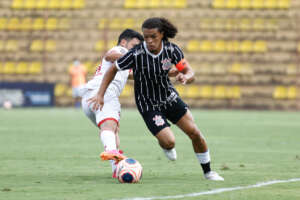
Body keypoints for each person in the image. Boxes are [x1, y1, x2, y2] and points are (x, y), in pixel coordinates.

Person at [90, 17, 224, 181]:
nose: (149, 41)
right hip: (148, 105)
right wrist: (100, 94)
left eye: (153, 36)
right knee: (169, 142)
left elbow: (189, 71)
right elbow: (113, 69)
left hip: (169, 98)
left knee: (195, 132)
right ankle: (166, 146)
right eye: (146, 37)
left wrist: (186, 77)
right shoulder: (136, 54)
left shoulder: (172, 51)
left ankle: (208, 172)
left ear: (161, 34)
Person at [81, 29, 144, 178]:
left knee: (112, 129)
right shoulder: (120, 49)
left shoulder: (124, 64)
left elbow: (131, 75)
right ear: (124, 42)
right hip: (103, 93)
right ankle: (111, 151)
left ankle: (116, 167)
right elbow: (110, 55)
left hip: (89, 98)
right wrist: (133, 57)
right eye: (134, 46)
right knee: (110, 126)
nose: (136, 50)